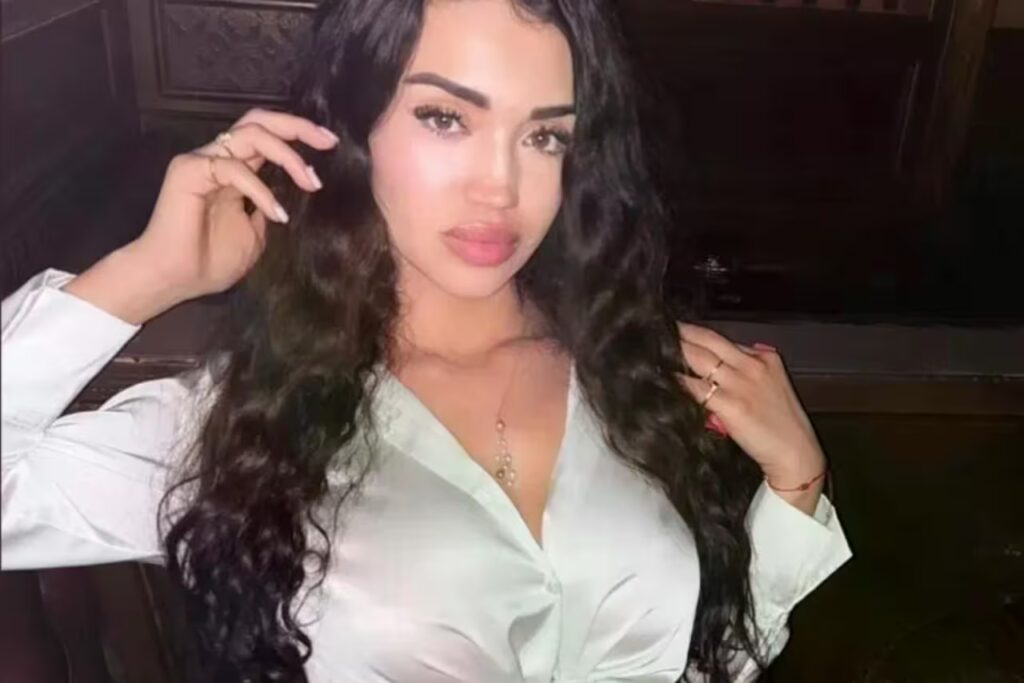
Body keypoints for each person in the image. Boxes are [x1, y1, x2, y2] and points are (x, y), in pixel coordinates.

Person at [1, 0, 853, 681]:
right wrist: (147, 274)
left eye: (544, 135)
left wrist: (796, 485)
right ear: (355, 127)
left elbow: (701, 659)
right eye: (447, 118)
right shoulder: (247, 420)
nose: (500, 186)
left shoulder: (629, 371)